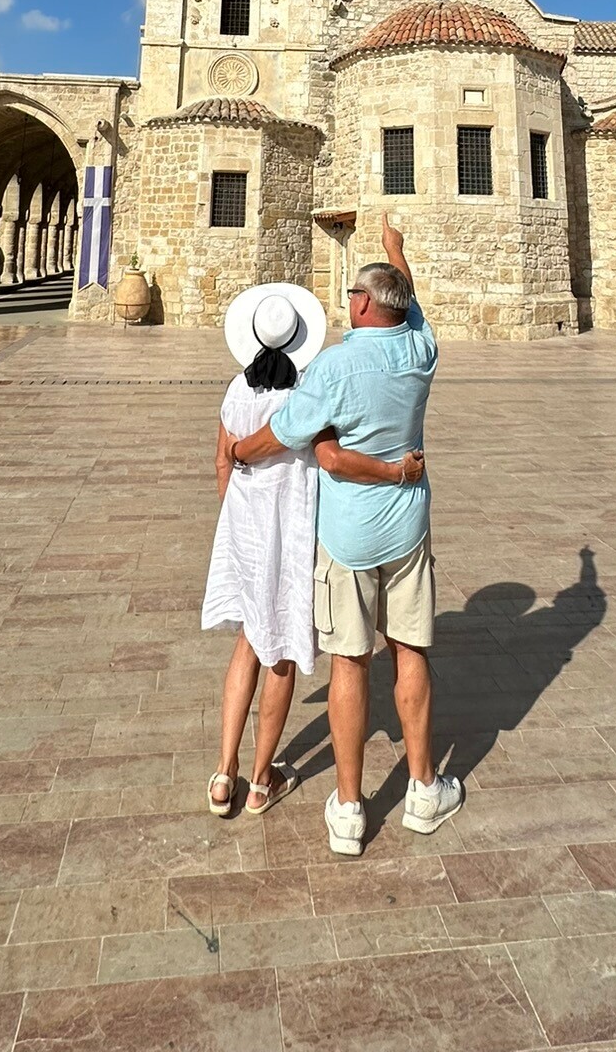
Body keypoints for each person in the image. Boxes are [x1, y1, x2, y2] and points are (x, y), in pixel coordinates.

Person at [229, 219, 460, 857]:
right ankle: (424, 789)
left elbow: (285, 434)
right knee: (410, 650)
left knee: (350, 662)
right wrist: (395, 249)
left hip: (348, 536)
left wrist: (239, 452)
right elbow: (407, 300)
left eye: (355, 294)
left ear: (361, 305)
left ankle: (351, 809)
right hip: (407, 525)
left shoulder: (333, 366)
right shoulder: (421, 350)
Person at [202, 283, 421, 818]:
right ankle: (261, 780)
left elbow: (224, 459)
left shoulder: (236, 390)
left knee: (248, 643)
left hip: (246, 532)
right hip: (295, 533)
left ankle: (224, 773)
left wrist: (237, 514)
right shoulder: (308, 392)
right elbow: (327, 457)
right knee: (278, 655)